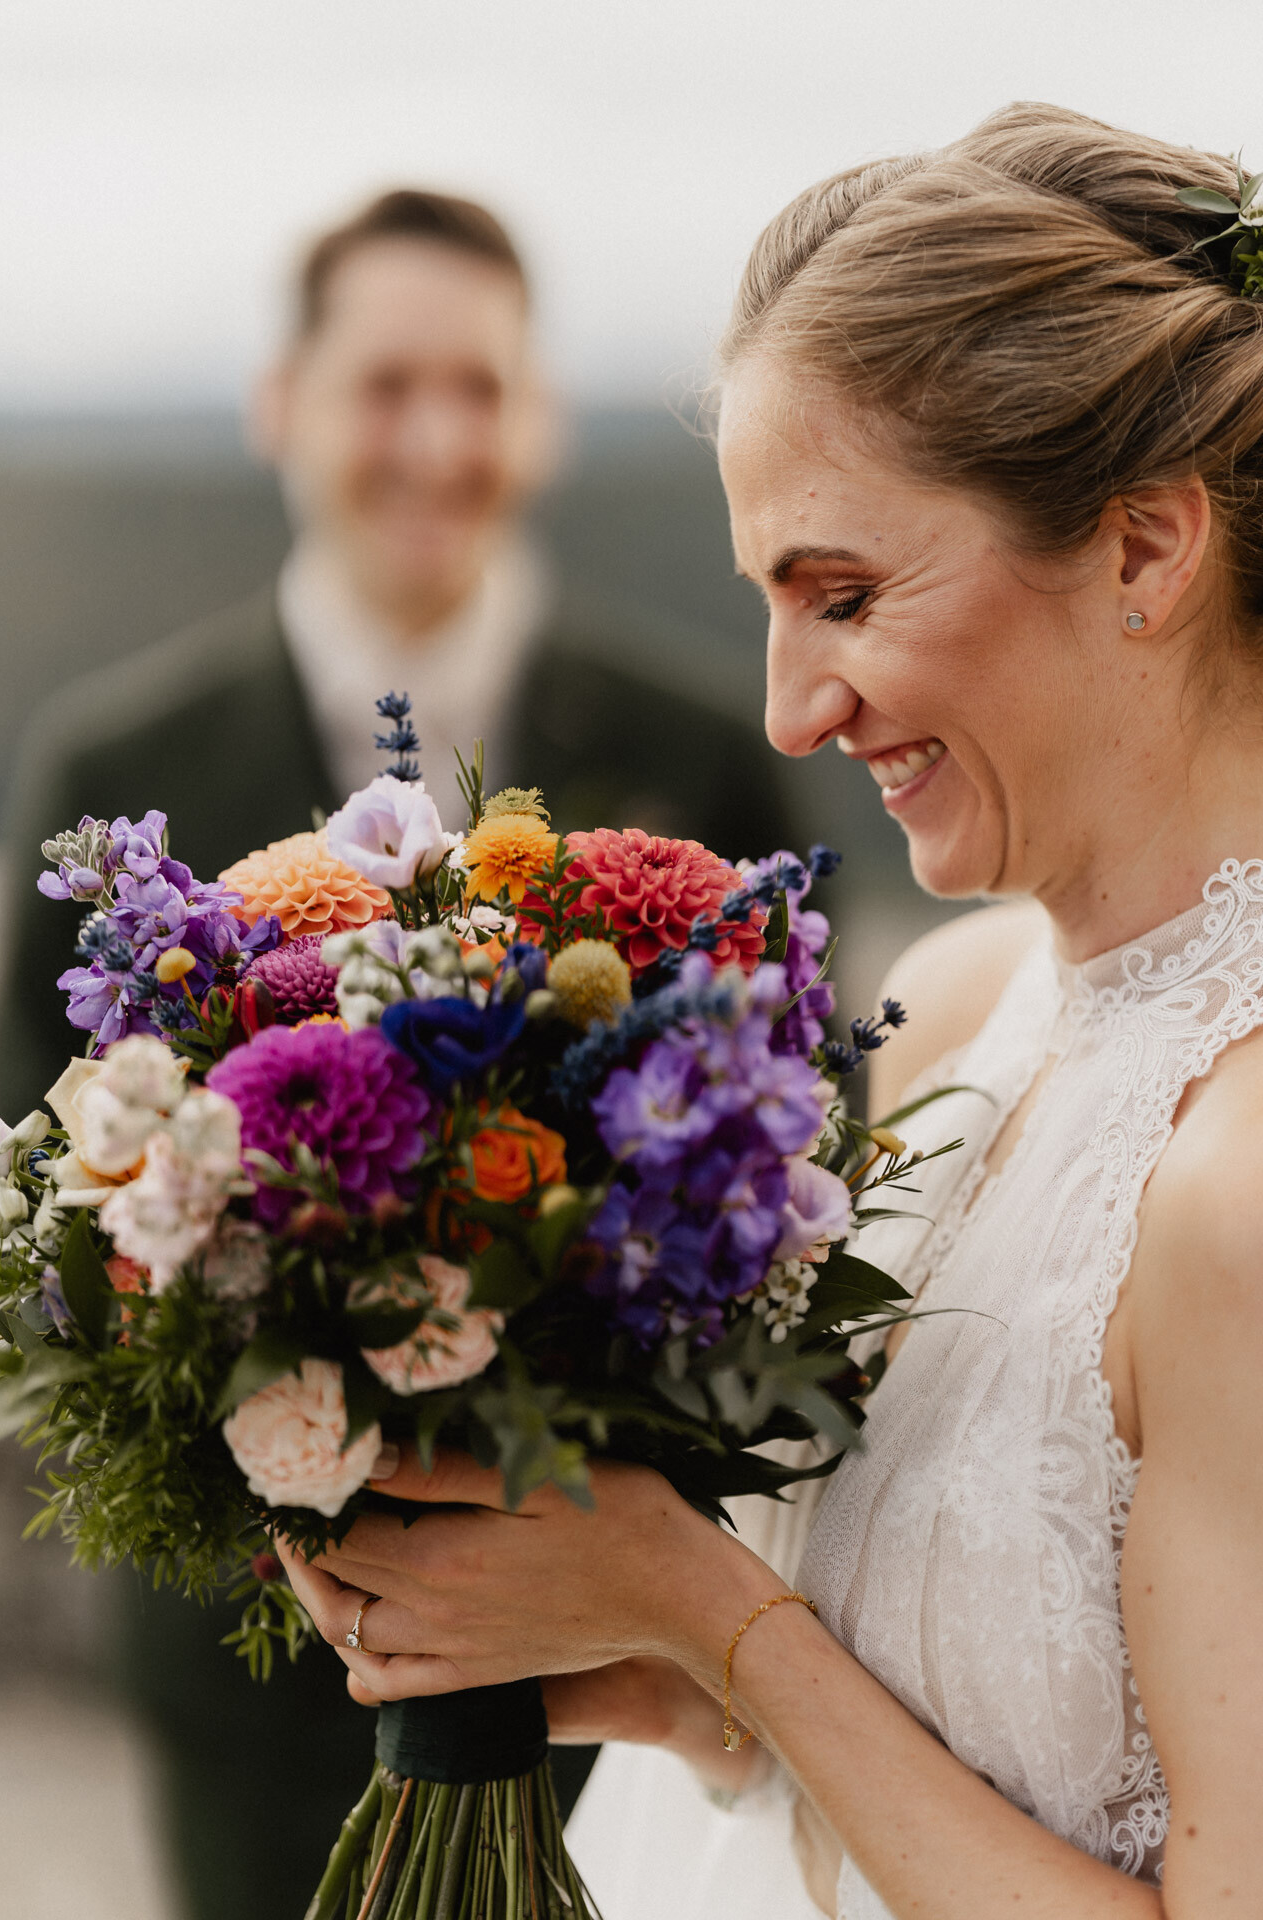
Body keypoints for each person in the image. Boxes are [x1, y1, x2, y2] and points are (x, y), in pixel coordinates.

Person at [279, 103, 1263, 1920]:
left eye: (848, 594)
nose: (791, 710)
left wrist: (714, 1617)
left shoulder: (1237, 1187)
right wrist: (650, 1681)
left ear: (1143, 549)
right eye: (767, 604)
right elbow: (923, 1762)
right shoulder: (955, 1017)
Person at [0, 187, 796, 1920]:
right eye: (385, 386)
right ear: (285, 403)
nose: (437, 439)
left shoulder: (700, 762)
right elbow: (48, 1227)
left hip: (611, 1680)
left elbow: (786, 1197)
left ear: (541, 418)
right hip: (250, 1682)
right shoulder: (113, 767)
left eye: (482, 388)